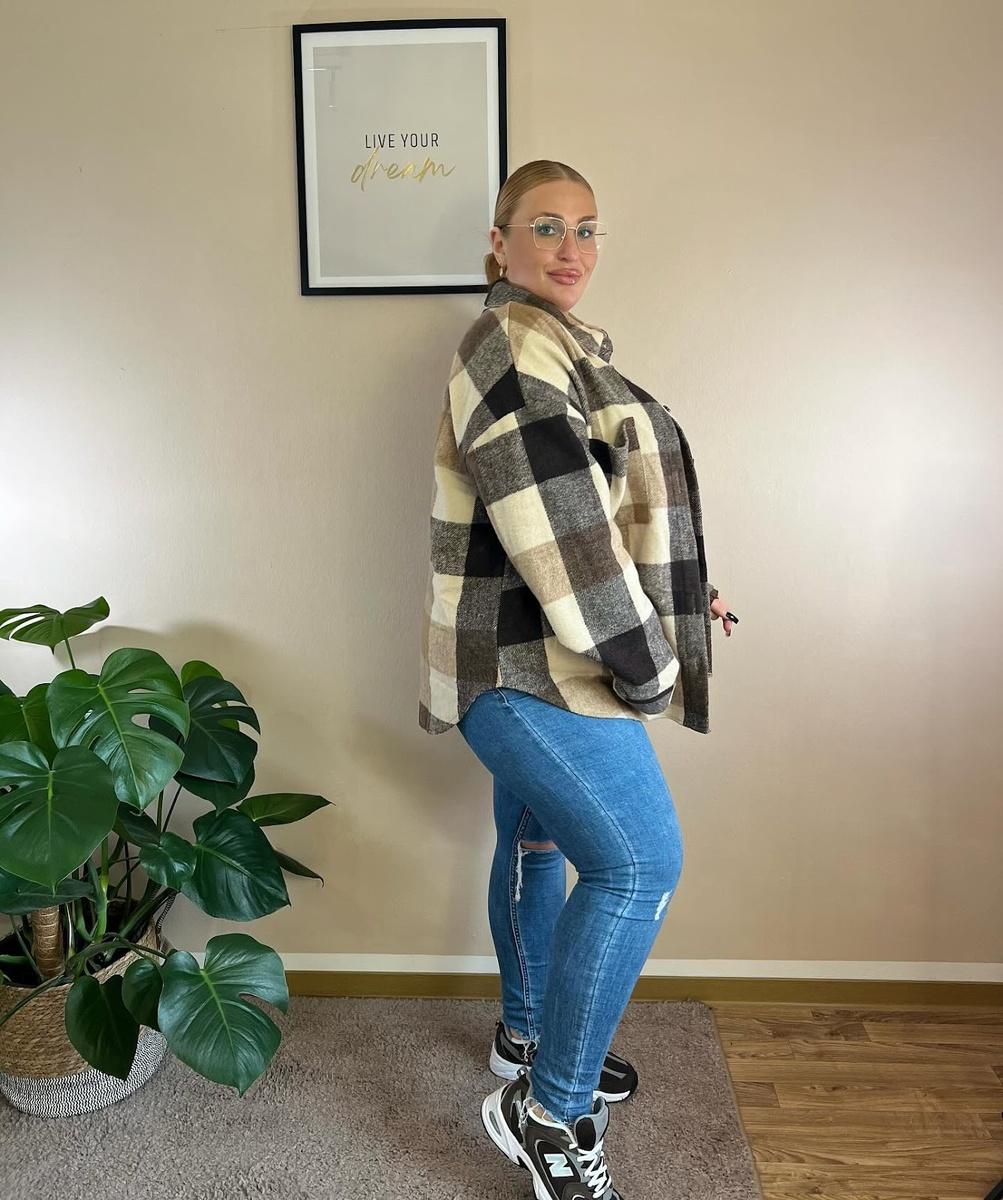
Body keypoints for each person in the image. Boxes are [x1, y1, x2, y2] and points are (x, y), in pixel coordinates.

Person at [417, 159, 735, 1200]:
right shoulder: (512, 344)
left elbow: (593, 503)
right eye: (545, 226)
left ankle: (526, 1037)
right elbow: (560, 533)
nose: (571, 247)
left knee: (536, 845)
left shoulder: (555, 345)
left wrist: (682, 594)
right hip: (535, 671)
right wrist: (644, 661)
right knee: (639, 866)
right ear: (498, 242)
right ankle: (548, 1110)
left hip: (531, 656)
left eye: (588, 228)